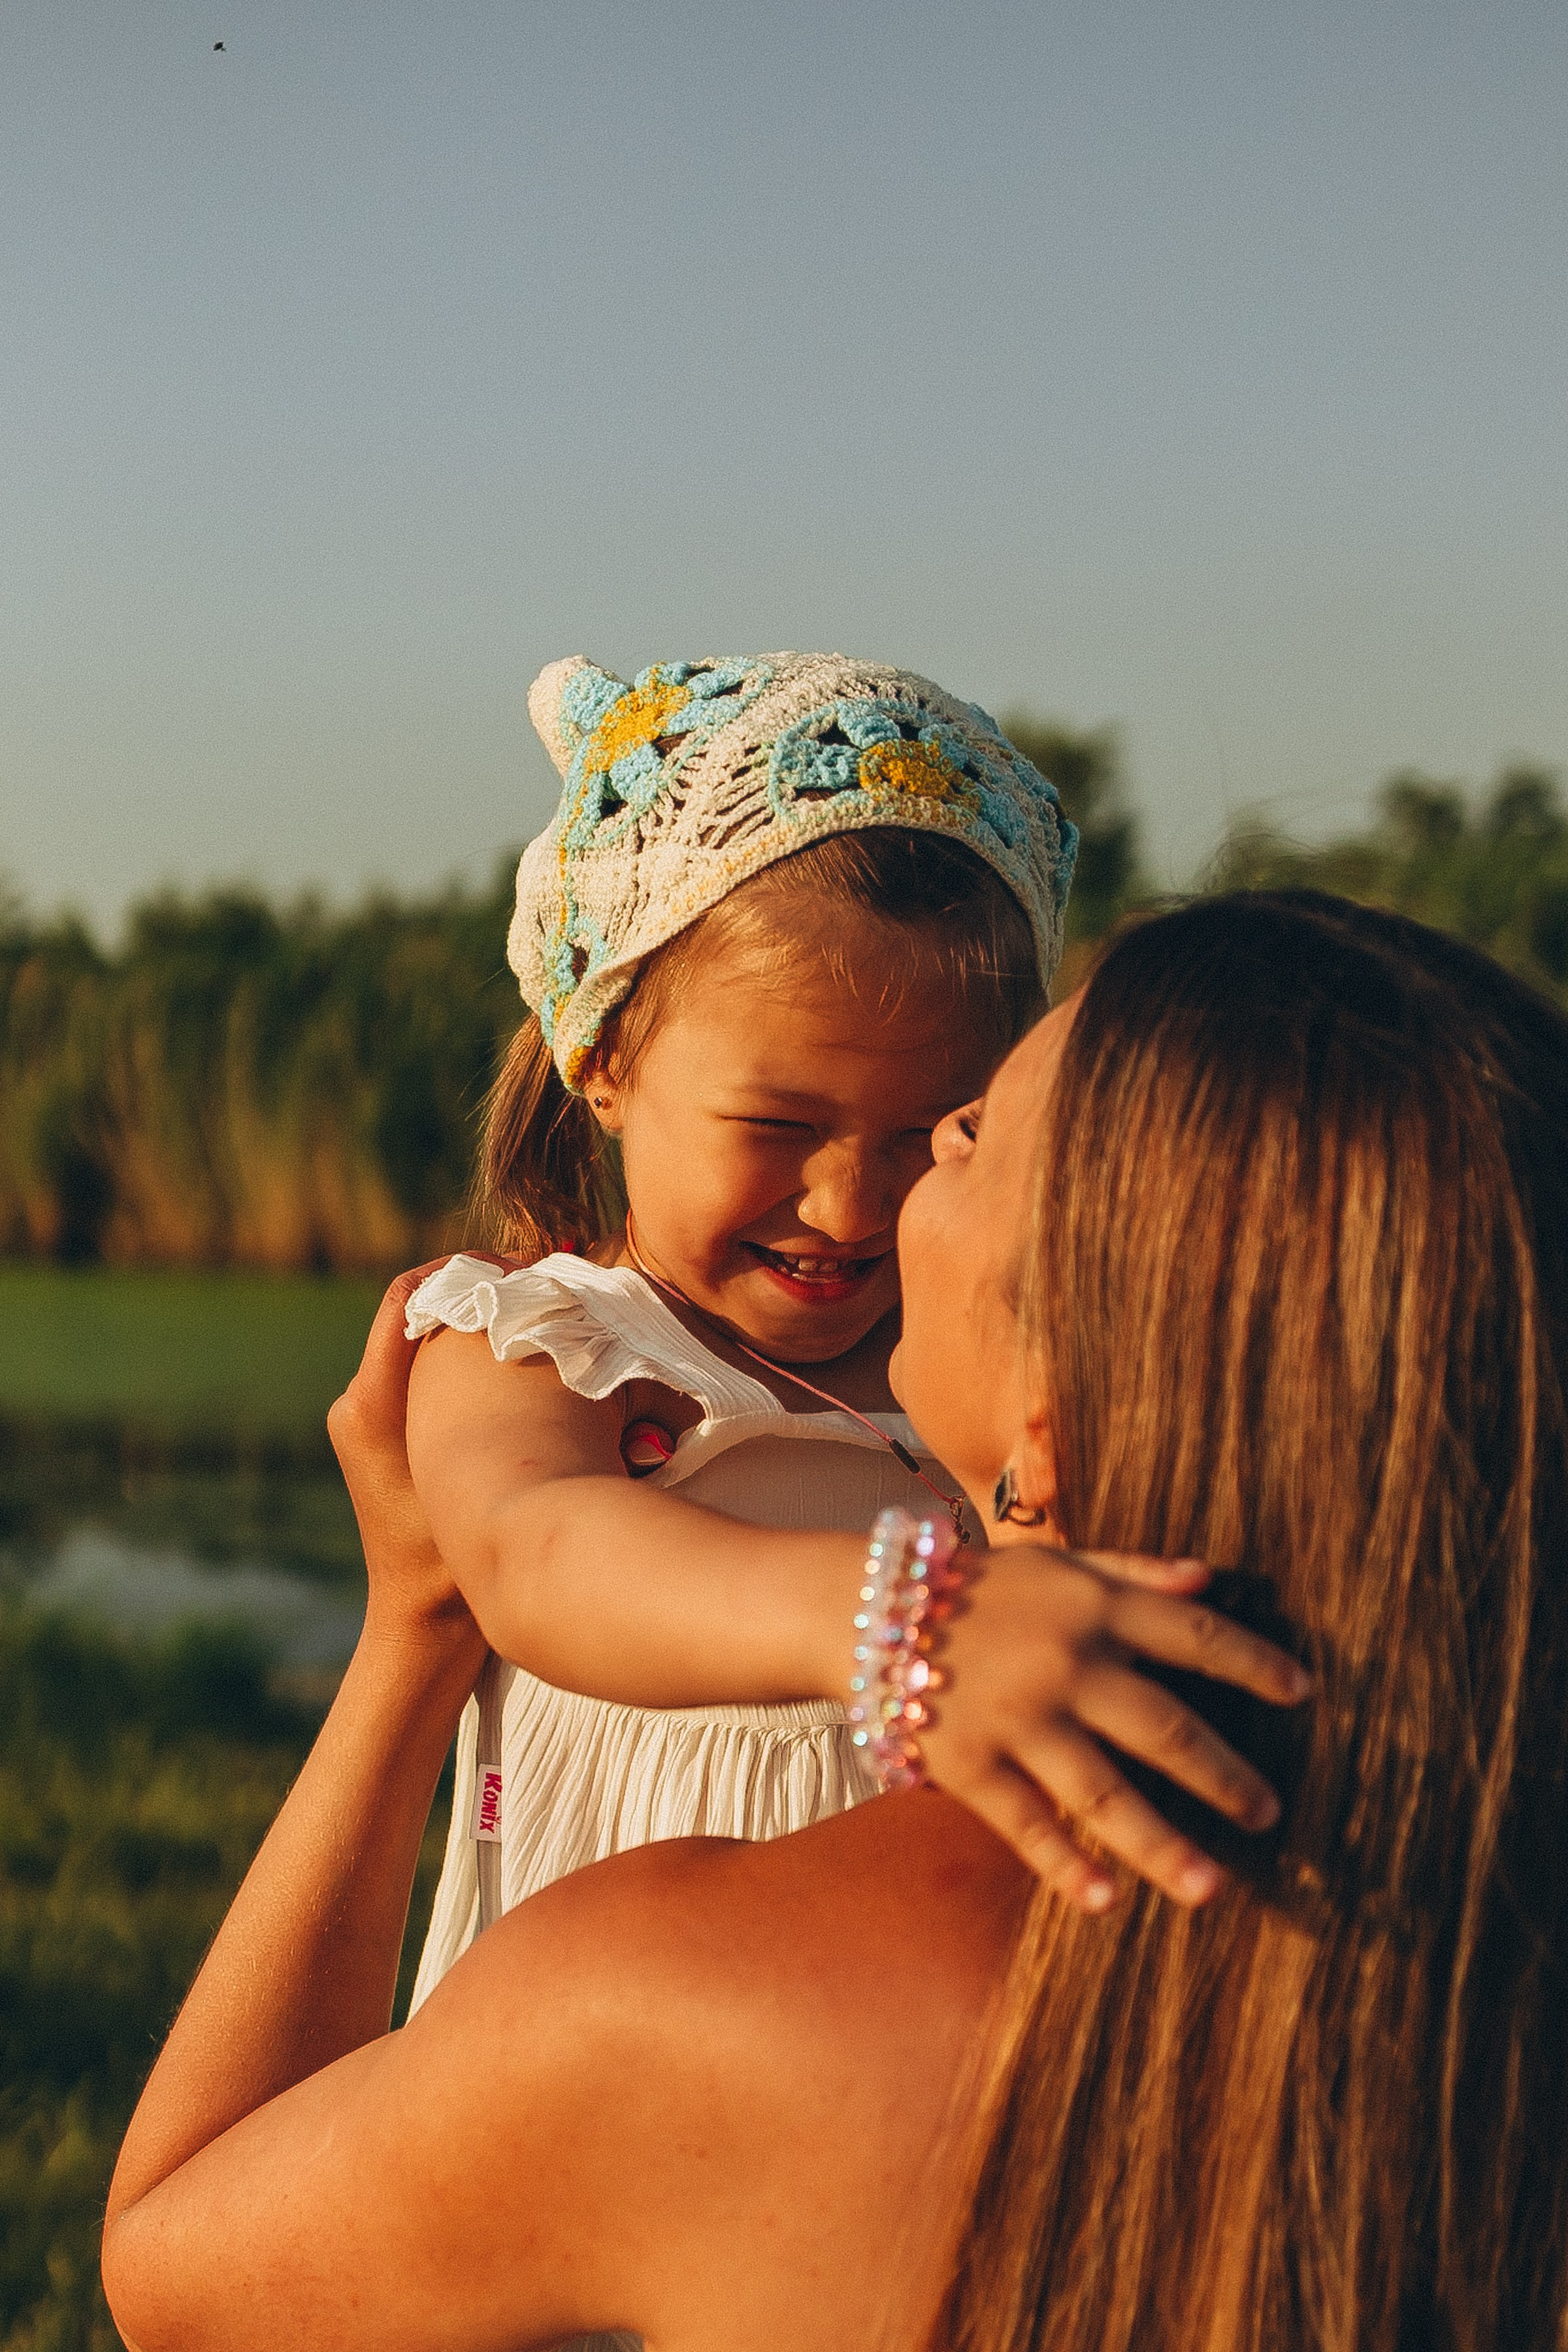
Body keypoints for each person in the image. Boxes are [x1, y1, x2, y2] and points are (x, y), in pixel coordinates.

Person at [103, 891, 1568, 2352]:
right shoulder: (1474, 1954)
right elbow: (545, 1542)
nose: (882, 1186)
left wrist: (406, 1635)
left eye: (968, 1130)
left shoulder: (671, 2009)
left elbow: (176, 2281)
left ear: (1051, 1419)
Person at [401, 650, 1267, 1995]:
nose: (851, 1204)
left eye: (935, 1131)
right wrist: (913, 1627)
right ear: (607, 1057)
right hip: (594, 2042)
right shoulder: (545, 1340)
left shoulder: (982, 1365)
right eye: (778, 1126)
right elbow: (536, 1556)